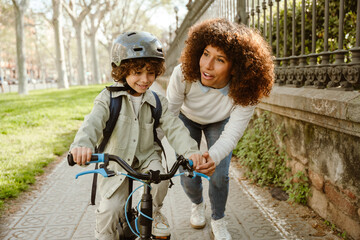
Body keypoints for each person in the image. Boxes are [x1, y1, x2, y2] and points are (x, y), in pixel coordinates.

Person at [69, 31, 203, 240]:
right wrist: (82, 145)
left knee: (160, 180)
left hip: (147, 156)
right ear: (122, 71)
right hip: (116, 161)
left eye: (150, 73)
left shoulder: (158, 102)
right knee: (111, 209)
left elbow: (175, 129)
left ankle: (152, 212)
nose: (145, 79)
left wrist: (192, 152)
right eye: (137, 72)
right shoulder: (108, 98)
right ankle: (103, 235)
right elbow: (91, 124)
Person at [166, 18, 274, 240]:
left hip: (220, 121)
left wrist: (211, 157)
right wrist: (187, 152)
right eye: (205, 54)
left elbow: (232, 134)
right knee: (187, 172)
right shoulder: (183, 74)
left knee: (219, 175)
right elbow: (170, 116)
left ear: (235, 67)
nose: (207, 65)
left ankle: (218, 218)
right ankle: (197, 204)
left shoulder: (246, 90)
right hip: (186, 119)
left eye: (220, 60)